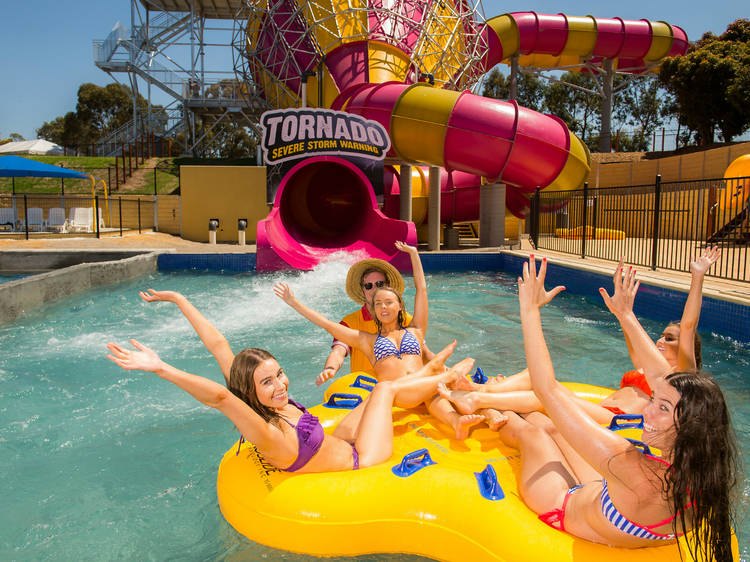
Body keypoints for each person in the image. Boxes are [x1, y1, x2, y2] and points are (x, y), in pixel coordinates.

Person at [464, 255, 738, 558]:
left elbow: (547, 389)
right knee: (554, 426)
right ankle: (489, 405)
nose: (646, 411)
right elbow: (662, 377)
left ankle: (487, 410)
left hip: (562, 503)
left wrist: (529, 310)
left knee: (536, 431)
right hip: (611, 497)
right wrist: (625, 315)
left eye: (661, 408)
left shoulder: (630, 464)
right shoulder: (705, 474)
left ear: (689, 426)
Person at [106, 290, 474, 473]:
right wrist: (161, 367)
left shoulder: (262, 399)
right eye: (268, 382)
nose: (281, 385)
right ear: (249, 392)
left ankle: (438, 380)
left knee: (377, 398)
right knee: (384, 388)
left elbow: (217, 343)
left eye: (279, 373)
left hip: (337, 439)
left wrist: (178, 299)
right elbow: (219, 397)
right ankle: (441, 376)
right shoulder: (265, 432)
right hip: (364, 457)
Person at [440, 248, 720, 424]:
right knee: (531, 375)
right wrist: (624, 312)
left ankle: (477, 399)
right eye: (661, 335)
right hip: (604, 409)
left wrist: (697, 278)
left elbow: (688, 326)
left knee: (546, 395)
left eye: (669, 339)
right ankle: (482, 391)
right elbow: (635, 344)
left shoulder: (682, 378)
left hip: (622, 422)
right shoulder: (649, 370)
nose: (660, 340)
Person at [275, 241, 488, 439]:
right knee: (345, 433)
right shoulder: (366, 339)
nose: (383, 306)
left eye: (388, 301)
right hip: (393, 393)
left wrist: (414, 254)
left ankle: (457, 420)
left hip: (422, 388)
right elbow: (328, 326)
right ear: (372, 307)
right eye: (378, 303)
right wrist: (294, 303)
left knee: (435, 394)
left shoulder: (414, 329)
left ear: (400, 306)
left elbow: (422, 290)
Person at [317, 257, 413, 386]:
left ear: (387, 286)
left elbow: (418, 354)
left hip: (398, 384)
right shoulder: (350, 323)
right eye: (369, 286)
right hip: (364, 386)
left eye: (380, 284)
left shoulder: (405, 319)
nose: (374, 290)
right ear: (363, 290)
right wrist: (330, 368)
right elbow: (339, 351)